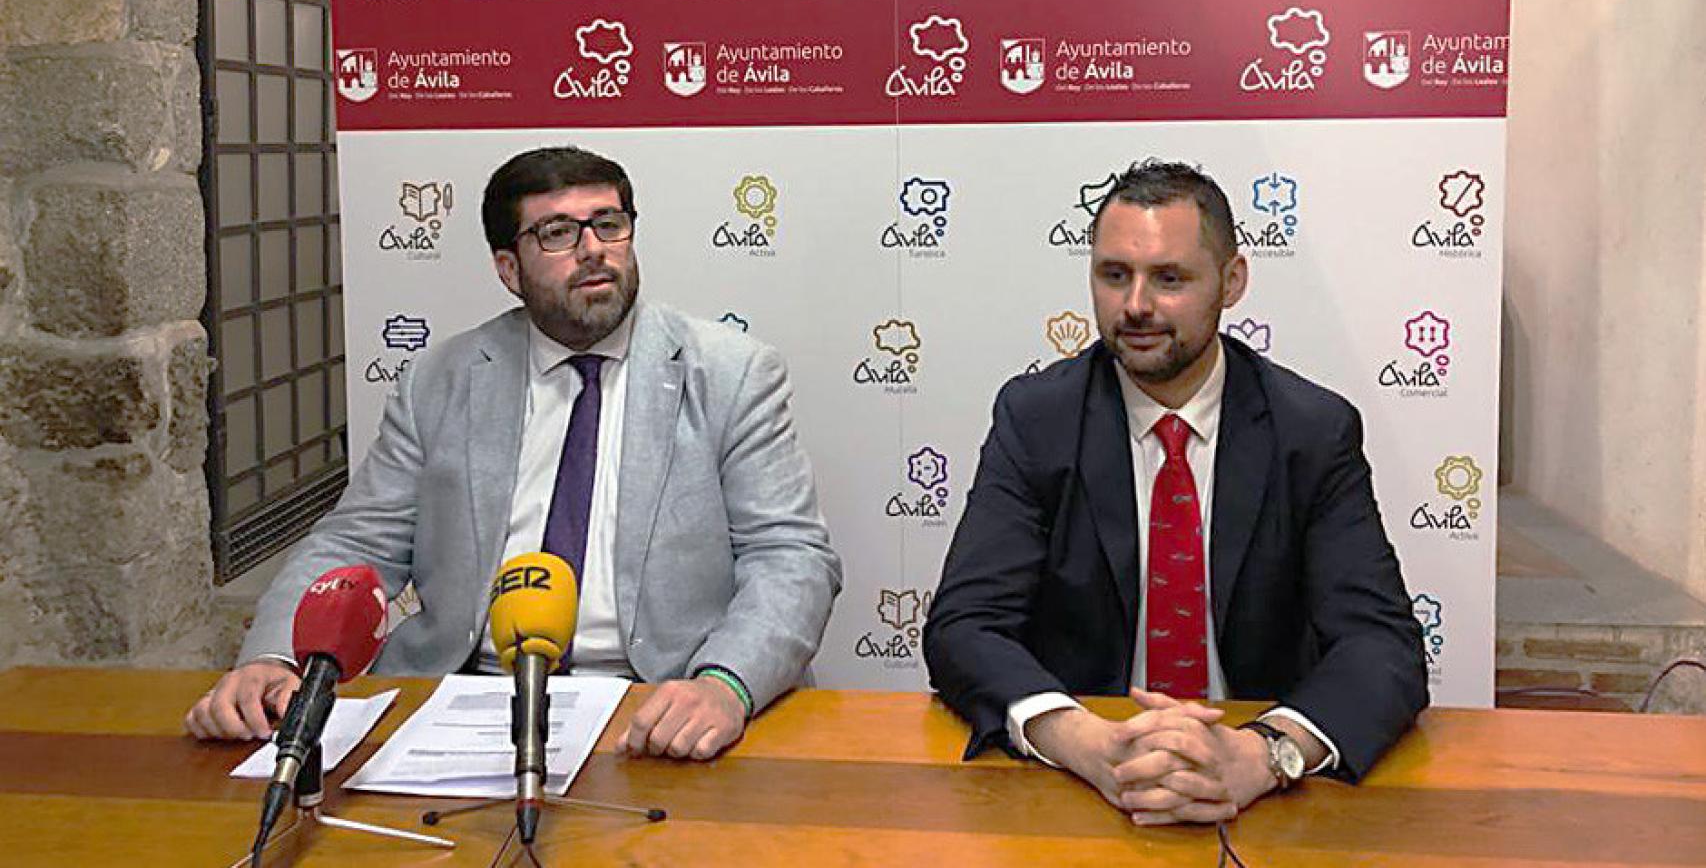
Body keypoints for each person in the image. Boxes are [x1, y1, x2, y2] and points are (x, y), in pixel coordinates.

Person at [187, 146, 842, 761]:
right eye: (557, 233)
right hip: (464, 697)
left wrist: (724, 683)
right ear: (509, 269)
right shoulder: (441, 379)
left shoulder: (730, 373)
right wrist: (273, 658)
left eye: (608, 224)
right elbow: (356, 543)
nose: (593, 250)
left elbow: (790, 556)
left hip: (657, 701)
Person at [923, 160, 1426, 824]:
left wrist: (1265, 755)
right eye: (1114, 275)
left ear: (1232, 281)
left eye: (1169, 279)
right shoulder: (1038, 419)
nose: (1136, 305)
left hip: (1261, 793)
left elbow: (1382, 645)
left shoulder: (1310, 431)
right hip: (1081, 786)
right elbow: (965, 625)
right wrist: (1085, 743)